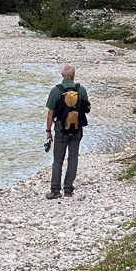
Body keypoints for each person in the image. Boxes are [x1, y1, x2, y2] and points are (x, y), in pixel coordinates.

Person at [45, 65, 90, 199]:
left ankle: (55, 190)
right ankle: (68, 189)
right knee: (73, 158)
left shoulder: (55, 91)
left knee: (58, 160)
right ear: (73, 75)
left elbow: (50, 113)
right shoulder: (80, 89)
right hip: (77, 129)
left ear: (62, 75)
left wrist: (48, 131)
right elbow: (87, 108)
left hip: (60, 130)